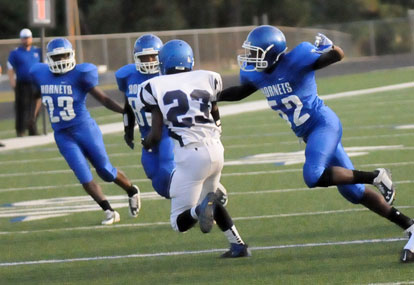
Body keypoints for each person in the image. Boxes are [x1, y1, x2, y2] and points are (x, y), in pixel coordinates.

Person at [218, 25, 414, 262]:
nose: (250, 57)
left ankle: (376, 176)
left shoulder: (297, 59)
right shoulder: (255, 74)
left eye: (255, 52)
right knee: (354, 193)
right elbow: (240, 92)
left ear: (272, 53)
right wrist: (212, 95)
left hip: (324, 124)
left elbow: (337, 56)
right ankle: (409, 225)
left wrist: (330, 47)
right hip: (311, 134)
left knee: (312, 175)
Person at [141, 39, 250, 258]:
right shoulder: (207, 77)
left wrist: (147, 144)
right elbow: (216, 114)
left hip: (191, 155)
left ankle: (199, 210)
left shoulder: (154, 86)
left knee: (179, 222)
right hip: (216, 150)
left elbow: (155, 132)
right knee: (209, 196)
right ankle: (238, 245)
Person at [30, 38, 140, 225]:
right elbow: (37, 94)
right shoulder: (40, 73)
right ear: (49, 59)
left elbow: (103, 99)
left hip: (85, 129)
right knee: (84, 176)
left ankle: (132, 190)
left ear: (71, 54)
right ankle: (109, 211)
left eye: (64, 55)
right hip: (63, 135)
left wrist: (124, 111)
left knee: (105, 171)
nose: (61, 60)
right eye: (57, 57)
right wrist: (32, 116)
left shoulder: (80, 74)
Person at [115, 34, 228, 204]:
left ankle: (205, 198)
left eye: (153, 56)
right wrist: (128, 128)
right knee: (157, 180)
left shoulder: (168, 79)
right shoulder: (127, 75)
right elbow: (128, 104)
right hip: (147, 134)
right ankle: (199, 198)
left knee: (168, 169)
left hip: (167, 131)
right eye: (144, 57)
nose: (149, 61)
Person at [7, 28, 42, 137]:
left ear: (31, 38)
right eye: (24, 38)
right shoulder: (16, 52)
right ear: (21, 39)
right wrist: (13, 82)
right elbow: (10, 67)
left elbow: (43, 65)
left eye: (27, 38)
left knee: (35, 105)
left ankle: (32, 127)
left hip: (35, 83)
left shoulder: (37, 51)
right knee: (21, 107)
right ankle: (21, 130)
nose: (26, 40)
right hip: (22, 83)